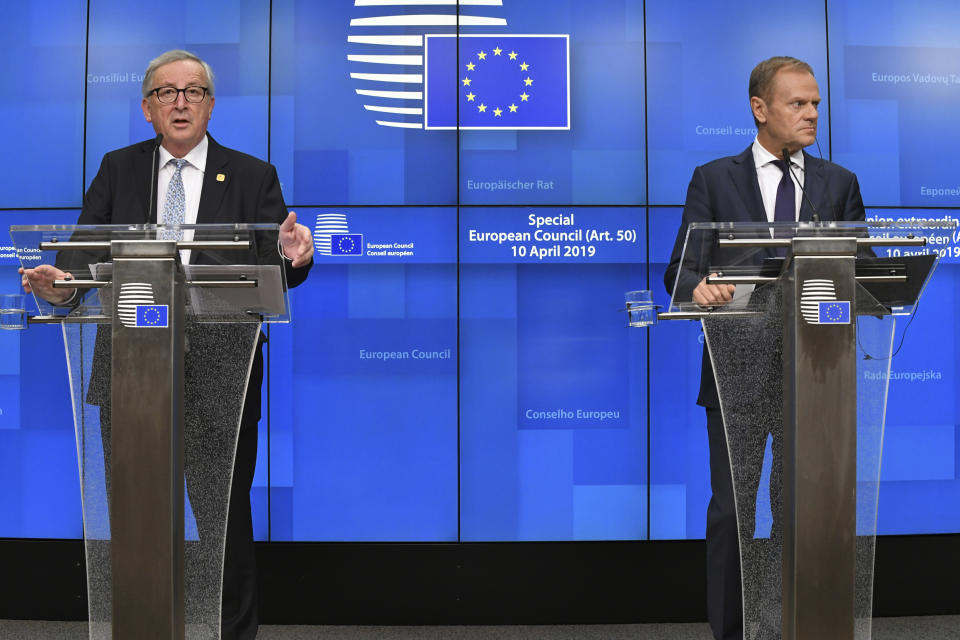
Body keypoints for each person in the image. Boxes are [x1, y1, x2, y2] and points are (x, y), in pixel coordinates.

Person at [20, 50, 313, 640]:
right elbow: (80, 259)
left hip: (220, 380)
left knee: (221, 519)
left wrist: (293, 256)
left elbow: (276, 265)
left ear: (210, 104)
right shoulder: (118, 169)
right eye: (167, 92)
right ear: (148, 108)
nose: (181, 102)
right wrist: (59, 289)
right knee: (136, 518)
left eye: (194, 91)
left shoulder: (253, 175)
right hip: (132, 375)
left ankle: (231, 634)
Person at [664, 56, 867, 640]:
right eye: (797, 104)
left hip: (815, 377)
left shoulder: (838, 182)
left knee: (799, 514)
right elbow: (680, 271)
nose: (811, 114)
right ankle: (732, 632)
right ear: (760, 109)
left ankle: (791, 625)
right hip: (736, 373)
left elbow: (865, 270)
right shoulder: (713, 178)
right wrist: (699, 286)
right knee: (733, 511)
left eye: (816, 104)